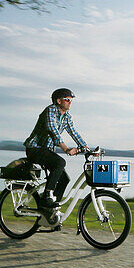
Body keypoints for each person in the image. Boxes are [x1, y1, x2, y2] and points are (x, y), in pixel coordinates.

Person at [24, 88, 88, 225]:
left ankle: (49, 211)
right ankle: (47, 195)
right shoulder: (50, 111)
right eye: (67, 99)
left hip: (46, 151)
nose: (70, 103)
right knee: (60, 162)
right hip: (34, 149)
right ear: (59, 101)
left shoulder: (67, 116)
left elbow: (73, 132)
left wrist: (86, 148)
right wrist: (66, 148)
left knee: (64, 179)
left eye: (71, 100)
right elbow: (53, 130)